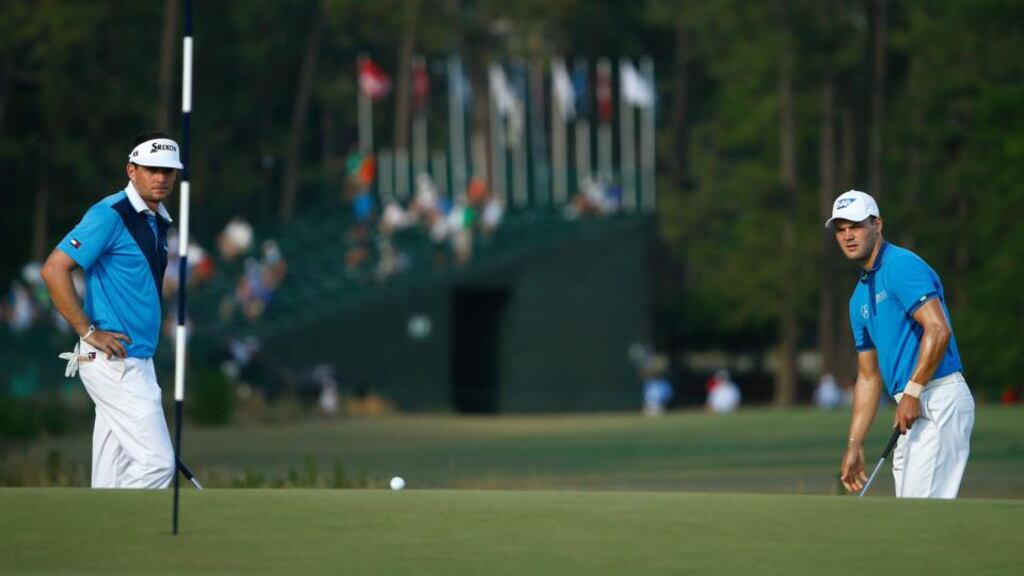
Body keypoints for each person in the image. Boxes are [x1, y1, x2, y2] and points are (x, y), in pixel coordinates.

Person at [40, 131, 181, 489]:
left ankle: (99, 538)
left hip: (136, 359)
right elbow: (54, 269)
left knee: (110, 479)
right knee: (157, 464)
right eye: (151, 169)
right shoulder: (111, 214)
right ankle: (127, 534)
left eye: (168, 171)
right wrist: (88, 332)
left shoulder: (158, 220)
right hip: (114, 360)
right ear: (131, 170)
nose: (161, 178)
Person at [829, 190, 975, 498]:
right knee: (910, 511)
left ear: (877, 224)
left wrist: (913, 390)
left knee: (920, 512)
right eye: (841, 230)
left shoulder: (901, 266)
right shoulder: (858, 300)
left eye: (855, 226)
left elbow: (938, 330)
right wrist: (855, 444)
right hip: (911, 404)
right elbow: (868, 378)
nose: (847, 236)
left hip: (938, 397)